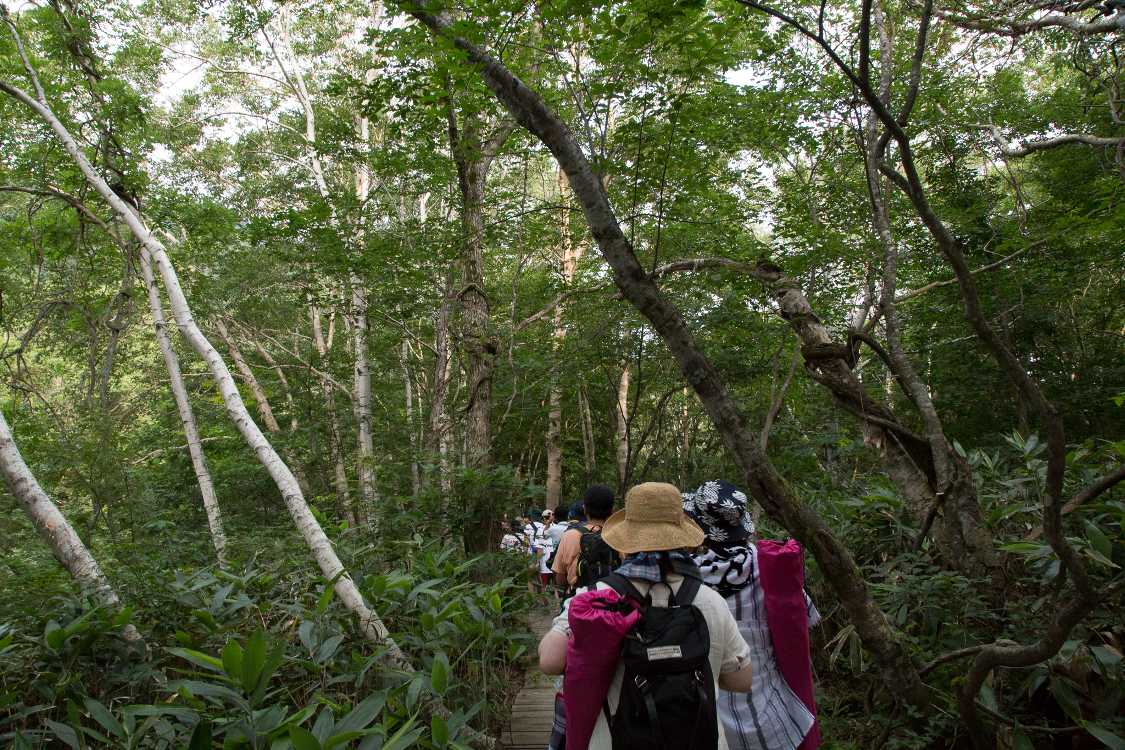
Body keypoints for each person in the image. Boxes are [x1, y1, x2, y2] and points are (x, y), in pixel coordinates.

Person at [538, 481, 754, 750]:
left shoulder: (596, 598)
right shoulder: (709, 600)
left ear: (625, 542)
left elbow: (549, 661)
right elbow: (742, 680)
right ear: (684, 540)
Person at [684, 480, 821, 750]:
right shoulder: (770, 566)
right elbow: (805, 620)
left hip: (707, 717)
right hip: (771, 716)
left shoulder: (685, 576)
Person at [551, 484, 614, 590]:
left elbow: (560, 579)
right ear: (612, 509)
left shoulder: (570, 535)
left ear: (584, 509)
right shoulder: (619, 536)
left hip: (579, 599)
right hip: (613, 599)